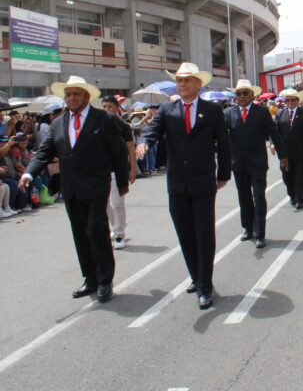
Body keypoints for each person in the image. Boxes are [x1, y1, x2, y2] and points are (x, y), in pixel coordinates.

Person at [20, 76, 129, 303]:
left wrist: (122, 182)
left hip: (97, 186)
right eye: (68, 95)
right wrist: (29, 172)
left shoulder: (103, 119)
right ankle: (90, 278)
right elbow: (44, 152)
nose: (71, 99)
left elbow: (118, 153)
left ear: (86, 97)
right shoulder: (58, 123)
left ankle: (105, 280)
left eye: (76, 94)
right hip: (71, 188)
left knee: (96, 231)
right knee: (80, 234)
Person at [136, 62, 231, 310]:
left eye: (187, 80)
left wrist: (224, 173)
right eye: (179, 80)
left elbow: (223, 143)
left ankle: (205, 286)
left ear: (198, 84)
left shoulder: (212, 110)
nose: (183, 84)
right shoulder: (167, 109)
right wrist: (143, 143)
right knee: (185, 233)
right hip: (177, 183)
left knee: (204, 233)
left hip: (203, 182)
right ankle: (196, 276)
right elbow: (151, 132)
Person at [224, 79, 286, 248]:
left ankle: (260, 233)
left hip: (257, 163)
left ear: (252, 95)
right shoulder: (228, 113)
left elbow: (274, 133)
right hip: (238, 164)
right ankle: (248, 229)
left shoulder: (262, 112)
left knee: (258, 197)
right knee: (244, 197)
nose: (242, 96)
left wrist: (283, 155)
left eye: (245, 93)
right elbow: (221, 139)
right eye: (239, 93)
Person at [101, 96, 138, 248]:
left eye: (110, 106)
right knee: (103, 204)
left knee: (117, 203)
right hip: (101, 170)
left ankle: (119, 235)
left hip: (119, 170)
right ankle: (116, 226)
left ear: (117, 108)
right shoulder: (97, 124)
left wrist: (133, 168)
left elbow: (130, 148)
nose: (107, 109)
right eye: (104, 106)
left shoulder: (123, 126)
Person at [275, 88, 303, 210]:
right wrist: (273, 145)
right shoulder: (279, 113)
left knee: (300, 177)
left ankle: (300, 199)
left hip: (301, 152)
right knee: (287, 177)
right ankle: (292, 195)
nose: (290, 102)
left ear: (297, 100)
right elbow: (276, 133)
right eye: (287, 100)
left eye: (292, 100)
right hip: (285, 154)